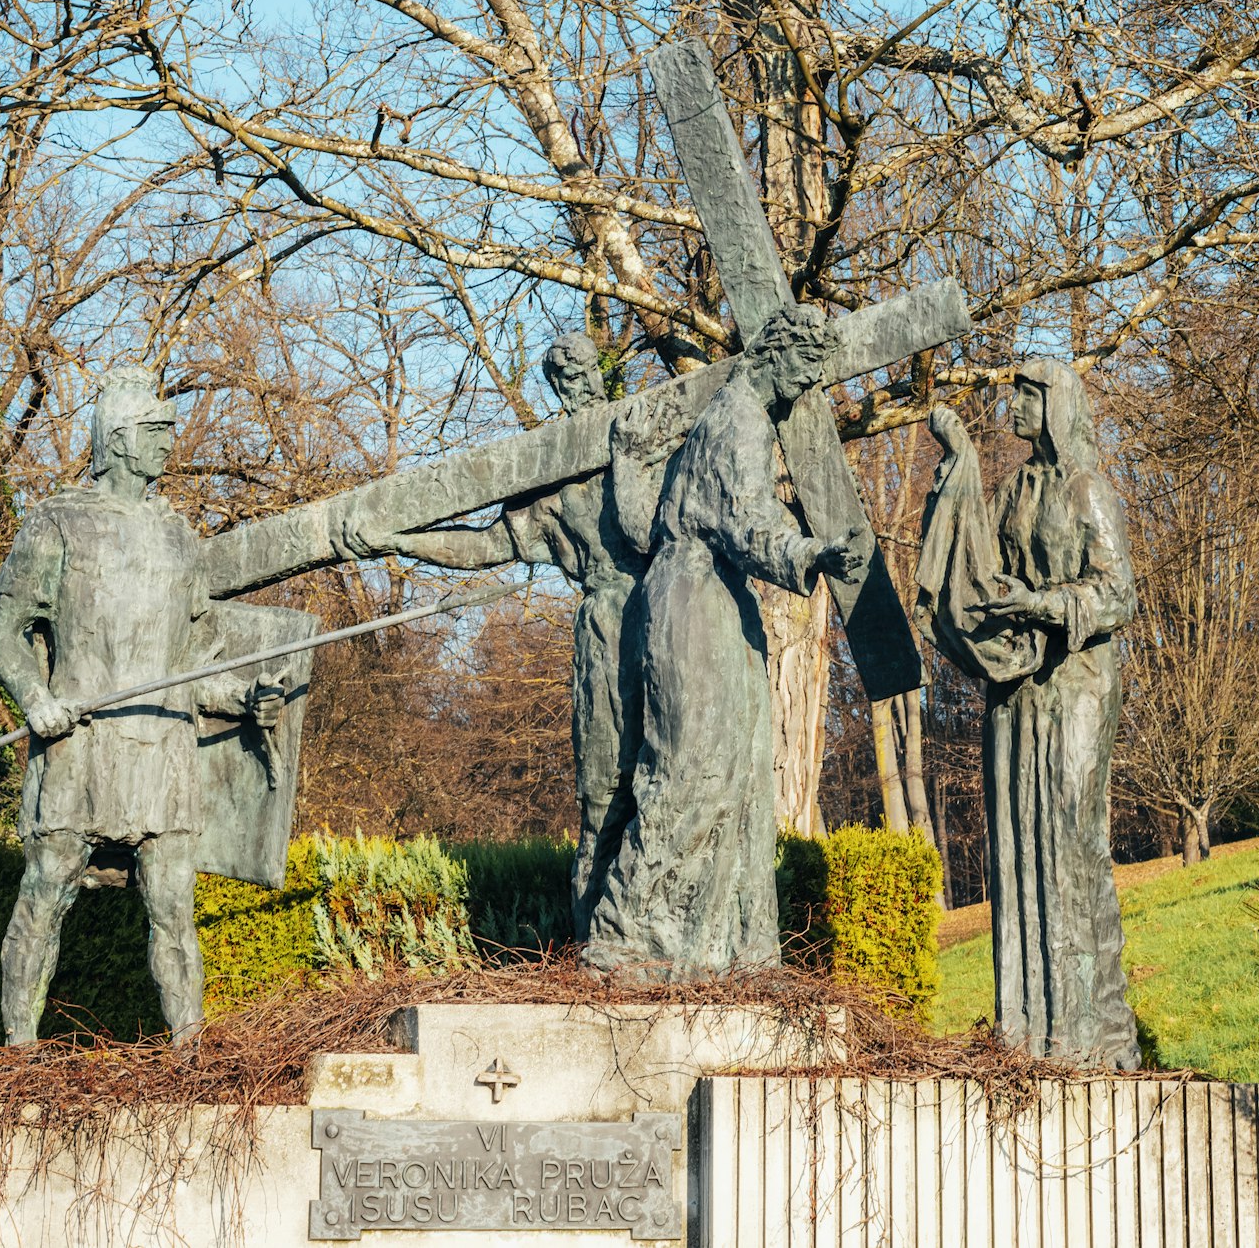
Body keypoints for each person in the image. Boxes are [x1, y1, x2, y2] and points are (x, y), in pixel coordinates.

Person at [0, 367, 284, 1046]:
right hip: (81, 745)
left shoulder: (179, 537)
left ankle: (191, 1052)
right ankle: (18, 1051)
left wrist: (244, 699)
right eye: (156, 431)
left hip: (162, 752)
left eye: (169, 430)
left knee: (174, 905)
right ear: (116, 440)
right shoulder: (59, 522)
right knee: (46, 889)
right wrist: (36, 696)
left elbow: (190, 671)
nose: (169, 443)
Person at [342, 335, 680, 941]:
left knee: (674, 774)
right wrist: (400, 543)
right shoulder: (547, 475)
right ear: (553, 387)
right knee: (603, 789)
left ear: (600, 375)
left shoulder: (644, 436)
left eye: (581, 370)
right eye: (560, 375)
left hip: (671, 609)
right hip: (606, 628)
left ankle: (667, 929)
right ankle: (598, 937)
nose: (574, 383)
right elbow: (484, 548)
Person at [583, 304, 867, 981]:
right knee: (689, 772)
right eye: (803, 367)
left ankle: (734, 950)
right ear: (773, 354)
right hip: (691, 598)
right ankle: (620, 937)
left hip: (721, 599)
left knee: (739, 777)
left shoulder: (748, 419)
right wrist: (813, 551)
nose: (806, 385)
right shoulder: (737, 418)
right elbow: (746, 523)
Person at [913, 361, 1141, 1068]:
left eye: (1026, 394)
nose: (1013, 405)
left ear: (1055, 404)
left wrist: (1042, 603)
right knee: (1018, 842)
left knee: (1070, 841)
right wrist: (960, 466)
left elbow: (1117, 595)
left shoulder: (1087, 489)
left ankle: (1093, 1032)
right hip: (1019, 689)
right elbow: (986, 567)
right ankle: (1029, 1034)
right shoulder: (1014, 490)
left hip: (1076, 683)